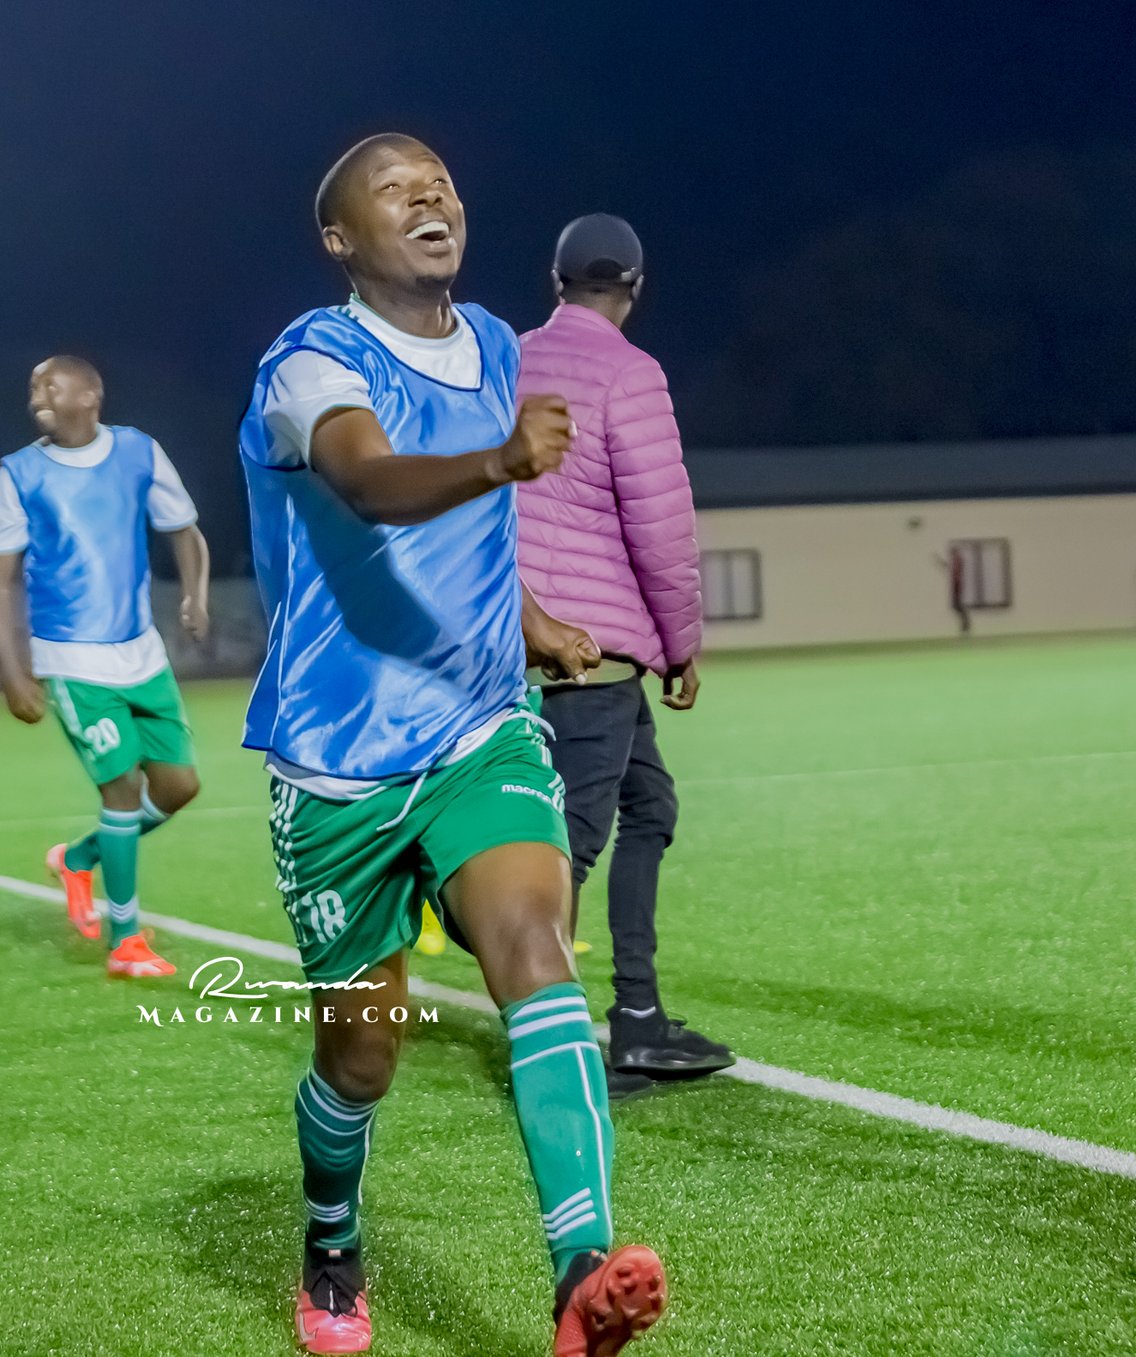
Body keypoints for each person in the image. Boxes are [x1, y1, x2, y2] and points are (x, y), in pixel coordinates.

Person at [240, 134, 667, 1357]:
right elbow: (371, 483)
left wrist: (530, 624)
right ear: (340, 238)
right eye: (393, 188)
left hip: (481, 727)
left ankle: (580, 1271)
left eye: (439, 180)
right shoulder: (309, 364)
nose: (428, 194)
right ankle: (331, 1236)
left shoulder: (491, 344)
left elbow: (469, 536)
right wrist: (499, 458)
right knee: (362, 1057)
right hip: (337, 762)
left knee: (535, 948)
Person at [516, 215, 733, 1099]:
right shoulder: (631, 373)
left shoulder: (506, 359)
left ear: (556, 281)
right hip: (591, 652)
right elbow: (660, 525)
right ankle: (552, 1042)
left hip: (517, 636)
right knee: (568, 843)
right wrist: (682, 644)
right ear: (636, 287)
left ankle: (638, 1017)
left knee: (650, 805)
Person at [0, 356, 209, 979]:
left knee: (180, 787)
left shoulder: (138, 453)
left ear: (90, 395)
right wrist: (13, 674)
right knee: (123, 788)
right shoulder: (19, 475)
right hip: (71, 658)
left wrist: (194, 595)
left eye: (49, 385)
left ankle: (78, 859)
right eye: (33, 386)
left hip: (143, 654)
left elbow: (185, 530)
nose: (37, 395)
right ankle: (125, 940)